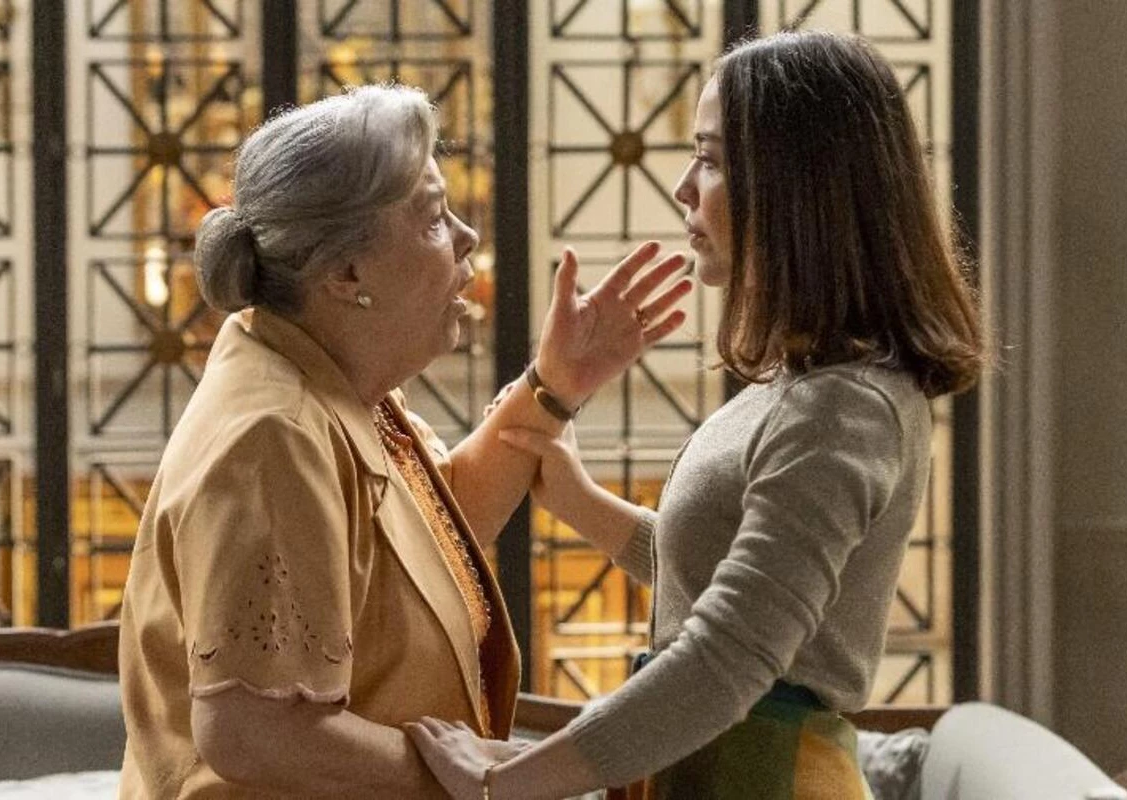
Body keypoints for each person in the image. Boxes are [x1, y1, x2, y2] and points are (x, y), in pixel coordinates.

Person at [406, 30, 985, 799]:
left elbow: (730, 655)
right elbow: (720, 576)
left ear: (794, 186)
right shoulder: (807, 386)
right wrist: (581, 502)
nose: (683, 187)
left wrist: (504, 780)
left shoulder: (844, 411)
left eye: (710, 160)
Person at [116, 84, 693, 798]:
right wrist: (487, 779)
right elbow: (251, 730)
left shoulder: (325, 379)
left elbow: (427, 548)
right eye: (434, 218)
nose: (468, 236)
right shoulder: (275, 435)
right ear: (345, 273)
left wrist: (555, 385)